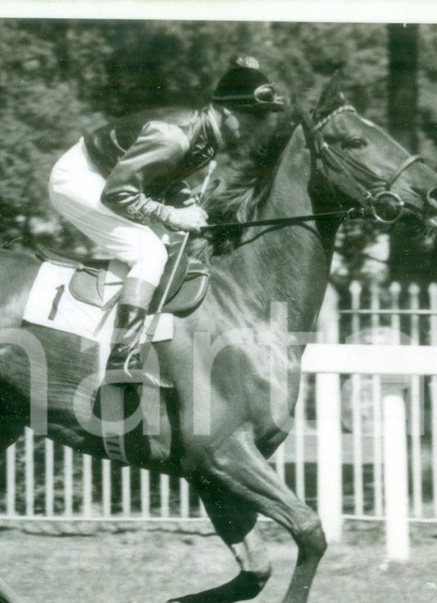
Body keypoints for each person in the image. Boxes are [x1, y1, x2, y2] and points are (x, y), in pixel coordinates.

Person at [49, 56, 284, 386]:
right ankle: (121, 358)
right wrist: (172, 214)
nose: (259, 126)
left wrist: (185, 203)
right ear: (229, 112)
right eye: (255, 116)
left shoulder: (206, 138)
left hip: (108, 178)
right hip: (80, 178)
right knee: (150, 253)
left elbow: (164, 178)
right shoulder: (173, 137)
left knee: (167, 245)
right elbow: (117, 195)